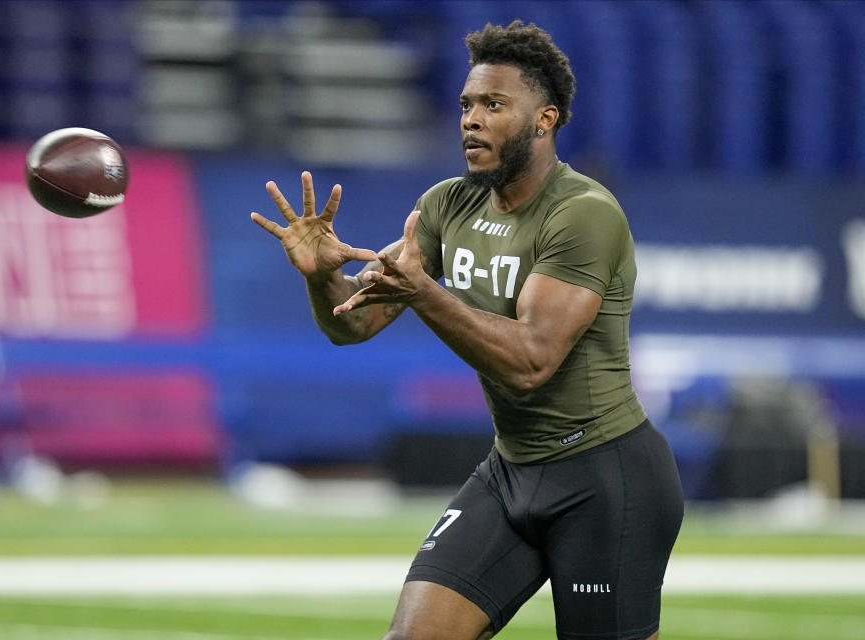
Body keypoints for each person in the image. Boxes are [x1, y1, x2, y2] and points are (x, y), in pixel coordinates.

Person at [251, 20, 684, 640]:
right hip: (511, 471)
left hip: (605, 480)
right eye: (466, 105)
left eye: (493, 104)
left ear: (545, 119)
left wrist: (425, 292)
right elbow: (356, 323)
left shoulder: (583, 214)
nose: (471, 119)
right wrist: (321, 278)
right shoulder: (447, 205)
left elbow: (531, 362)